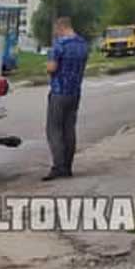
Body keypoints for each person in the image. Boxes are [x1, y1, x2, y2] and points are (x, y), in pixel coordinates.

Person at [44, 16, 90, 180]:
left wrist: (47, 67)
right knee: (69, 129)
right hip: (75, 92)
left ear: (60, 27)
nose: (56, 33)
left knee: (54, 129)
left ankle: (59, 166)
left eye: (56, 30)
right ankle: (68, 166)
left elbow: (52, 67)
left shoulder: (59, 45)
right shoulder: (83, 45)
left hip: (59, 92)